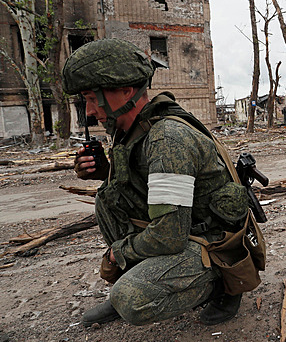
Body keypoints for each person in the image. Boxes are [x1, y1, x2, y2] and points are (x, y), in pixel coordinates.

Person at [62, 39, 251, 327]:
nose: (89, 111)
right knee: (107, 199)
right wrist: (104, 172)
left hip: (209, 240)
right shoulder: (132, 128)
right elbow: (139, 183)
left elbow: (168, 236)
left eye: (91, 98)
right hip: (183, 227)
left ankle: (224, 284)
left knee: (131, 299)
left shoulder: (167, 138)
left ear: (125, 90)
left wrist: (119, 253)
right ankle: (140, 277)